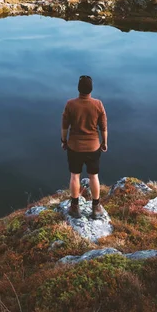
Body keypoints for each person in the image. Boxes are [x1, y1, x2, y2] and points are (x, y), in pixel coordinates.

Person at [61, 75, 108, 219]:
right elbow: (103, 128)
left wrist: (64, 141)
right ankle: (96, 207)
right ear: (91, 89)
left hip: (74, 147)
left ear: (78, 88)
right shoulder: (98, 104)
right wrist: (104, 143)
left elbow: (64, 127)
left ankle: (75, 207)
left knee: (75, 175)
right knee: (94, 176)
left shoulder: (70, 104)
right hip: (93, 147)